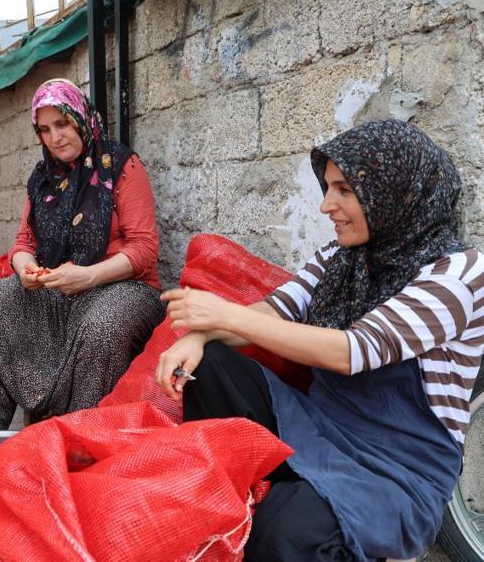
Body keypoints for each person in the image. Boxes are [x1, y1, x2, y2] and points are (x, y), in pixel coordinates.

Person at [155, 120, 484, 561]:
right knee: (210, 365)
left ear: (394, 193)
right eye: (328, 188)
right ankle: (272, 490)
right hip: (319, 425)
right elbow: (273, 312)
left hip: (394, 469)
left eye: (345, 190)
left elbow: (355, 351)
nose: (327, 205)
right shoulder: (341, 258)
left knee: (281, 537)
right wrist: (198, 336)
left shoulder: (460, 274)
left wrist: (222, 313)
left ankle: (308, 513)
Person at [0, 78, 165, 430]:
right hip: (59, 288)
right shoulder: (42, 179)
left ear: (81, 118)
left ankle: (78, 439)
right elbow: (22, 244)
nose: (55, 137)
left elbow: (144, 249)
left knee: (102, 328)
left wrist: (90, 275)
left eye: (63, 124)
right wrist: (27, 269)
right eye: (45, 129)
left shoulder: (121, 166)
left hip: (124, 288)